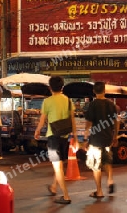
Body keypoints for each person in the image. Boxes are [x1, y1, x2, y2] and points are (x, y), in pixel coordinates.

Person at [34, 76, 78, 205]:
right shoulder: (68, 101)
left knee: (57, 166)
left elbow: (42, 119)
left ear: (50, 88)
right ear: (62, 87)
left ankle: (66, 196)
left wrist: (37, 131)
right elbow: (72, 120)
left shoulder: (47, 101)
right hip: (65, 137)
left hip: (53, 137)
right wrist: (75, 136)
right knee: (58, 165)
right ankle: (54, 187)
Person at [84, 81, 119, 198]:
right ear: (105, 90)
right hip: (108, 137)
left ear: (94, 91)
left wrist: (85, 138)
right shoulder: (111, 104)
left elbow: (88, 123)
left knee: (96, 165)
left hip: (95, 139)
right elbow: (116, 121)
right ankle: (110, 180)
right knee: (107, 160)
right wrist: (115, 136)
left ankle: (99, 191)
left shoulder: (93, 105)